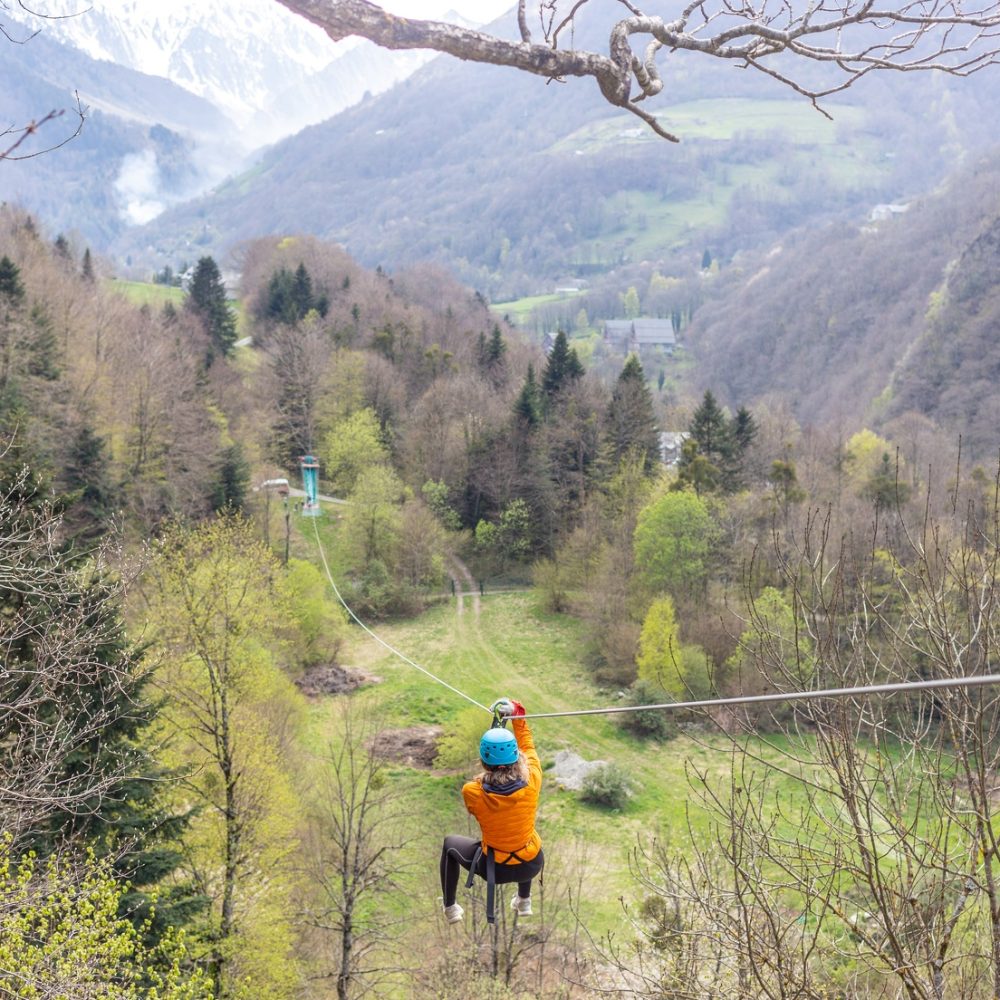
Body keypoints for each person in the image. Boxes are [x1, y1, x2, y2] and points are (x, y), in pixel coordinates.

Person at [440, 697, 544, 924]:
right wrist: (516, 712)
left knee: (450, 844)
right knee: (526, 836)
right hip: (531, 865)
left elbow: (485, 778)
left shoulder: (473, 792)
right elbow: (528, 746)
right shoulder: (533, 779)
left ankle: (450, 908)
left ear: (484, 760)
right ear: (516, 757)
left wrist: (496, 728)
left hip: (495, 869)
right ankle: (524, 900)